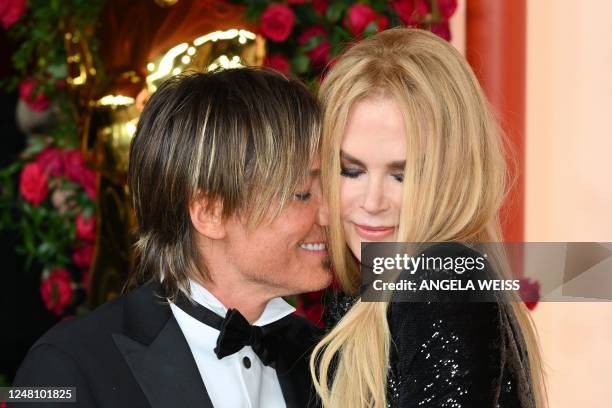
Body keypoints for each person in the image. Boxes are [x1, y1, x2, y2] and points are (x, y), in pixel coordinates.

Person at [11, 68, 331, 408]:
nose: (329, 214)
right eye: (301, 193)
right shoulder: (68, 366)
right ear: (210, 212)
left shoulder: (320, 356)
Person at [310, 28, 547, 407]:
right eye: (350, 170)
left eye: (403, 175)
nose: (372, 201)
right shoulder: (388, 289)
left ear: (452, 175)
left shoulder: (440, 278)